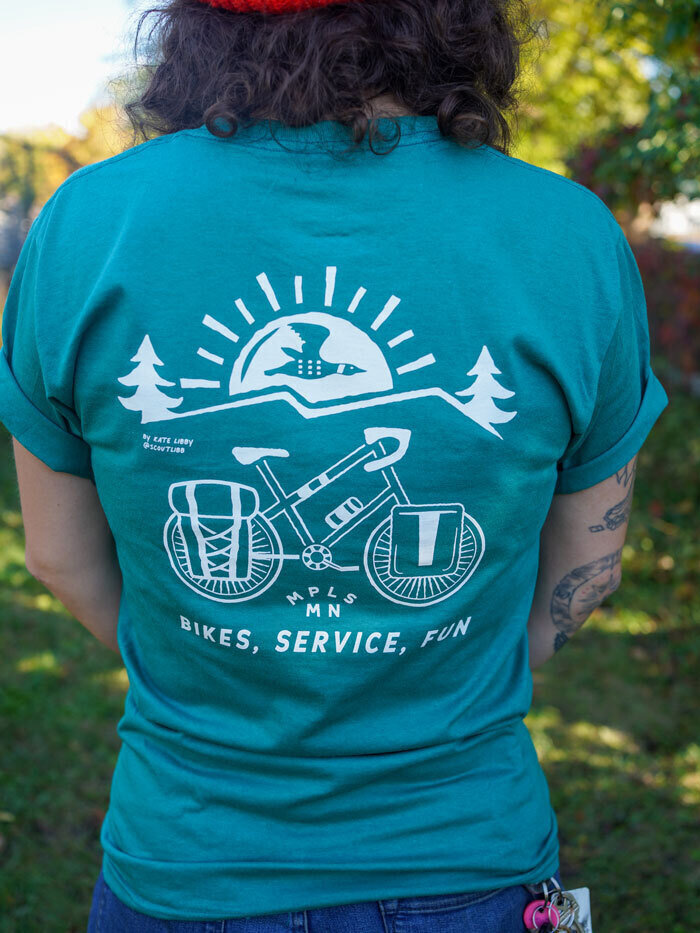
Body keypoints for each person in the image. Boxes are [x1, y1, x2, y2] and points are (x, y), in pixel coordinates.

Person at [0, 0, 669, 930]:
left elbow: (56, 558)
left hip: (187, 860)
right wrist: (444, 666)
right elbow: (586, 571)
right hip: (468, 854)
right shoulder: (570, 236)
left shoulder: (87, 223)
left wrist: (207, 658)